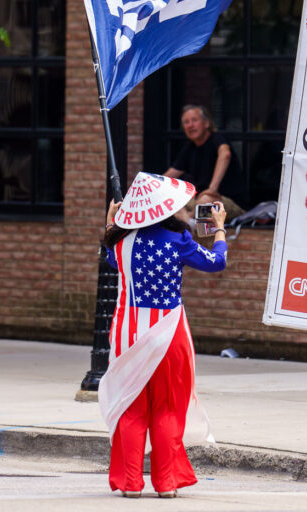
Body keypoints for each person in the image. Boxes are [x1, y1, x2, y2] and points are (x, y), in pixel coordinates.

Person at [98, 172, 228, 498]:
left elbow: (107, 256)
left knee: (132, 408)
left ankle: (130, 484)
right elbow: (217, 262)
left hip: (128, 334)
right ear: (164, 209)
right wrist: (220, 228)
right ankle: (166, 484)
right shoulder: (178, 241)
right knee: (168, 409)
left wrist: (111, 222)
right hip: (170, 335)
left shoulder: (121, 245)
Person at [165, 105, 246, 222]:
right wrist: (151, 188)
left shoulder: (217, 139)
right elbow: (169, 176)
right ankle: (190, 222)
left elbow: (225, 155)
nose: (190, 125)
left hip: (229, 203)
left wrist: (212, 189)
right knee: (170, 200)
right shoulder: (189, 148)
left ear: (206, 123)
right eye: (186, 122)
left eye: (194, 120)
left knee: (205, 202)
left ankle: (191, 223)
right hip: (199, 201)